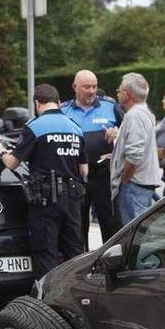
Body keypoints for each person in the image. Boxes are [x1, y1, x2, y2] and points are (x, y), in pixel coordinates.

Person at [0, 84, 88, 278]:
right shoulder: (75, 127)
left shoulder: (35, 127)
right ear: (59, 102)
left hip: (47, 201)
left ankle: (48, 302)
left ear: (37, 103)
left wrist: (2, 153)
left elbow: (12, 163)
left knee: (46, 252)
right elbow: (84, 169)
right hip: (72, 200)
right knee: (74, 252)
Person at [61, 69, 123, 249]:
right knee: (78, 225)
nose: (91, 91)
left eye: (94, 86)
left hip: (104, 175)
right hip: (76, 176)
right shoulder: (64, 110)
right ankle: (81, 264)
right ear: (75, 87)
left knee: (109, 223)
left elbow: (128, 133)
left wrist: (117, 133)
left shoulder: (110, 106)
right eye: (87, 87)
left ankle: (110, 262)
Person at [111, 73, 162, 225]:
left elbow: (134, 155)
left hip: (134, 186)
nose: (118, 94)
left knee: (133, 235)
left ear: (126, 95)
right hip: (141, 184)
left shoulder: (134, 116)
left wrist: (125, 178)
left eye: (119, 91)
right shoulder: (145, 113)